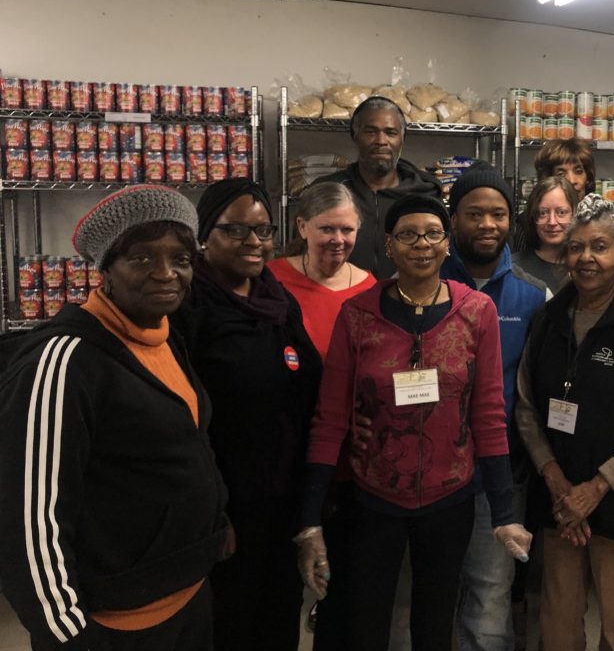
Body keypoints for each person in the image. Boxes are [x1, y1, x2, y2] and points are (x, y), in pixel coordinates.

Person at [295, 194, 532, 651]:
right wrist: (310, 521)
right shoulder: (359, 315)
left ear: (447, 245)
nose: (421, 244)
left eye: (432, 234)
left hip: (450, 497)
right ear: (388, 245)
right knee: (367, 620)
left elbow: (488, 414)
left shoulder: (476, 312)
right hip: (373, 498)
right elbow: (330, 420)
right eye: (407, 234)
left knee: (434, 620)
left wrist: (504, 514)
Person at [0, 185, 229, 651]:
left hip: (185, 597)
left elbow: (183, 448)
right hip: (117, 624)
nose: (166, 273)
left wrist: (214, 522)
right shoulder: (65, 360)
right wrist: (68, 634)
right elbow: (27, 521)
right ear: (105, 268)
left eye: (180, 258)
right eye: (142, 259)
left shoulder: (162, 336)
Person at [516, 193, 614, 651]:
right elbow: (527, 407)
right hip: (561, 499)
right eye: (577, 247)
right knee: (559, 623)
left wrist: (596, 488)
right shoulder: (546, 320)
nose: (587, 258)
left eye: (600, 246)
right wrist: (557, 482)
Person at [171, 178, 321, 651]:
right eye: (235, 231)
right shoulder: (187, 307)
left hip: (282, 494)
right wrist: (214, 510)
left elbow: (306, 383)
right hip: (227, 502)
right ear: (203, 236)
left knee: (278, 616)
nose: (253, 242)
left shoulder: (276, 298)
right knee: (228, 622)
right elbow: (180, 420)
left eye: (262, 230)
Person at [432, 161, 547, 651]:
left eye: (498, 214)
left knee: (490, 598)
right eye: (474, 213)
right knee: (424, 594)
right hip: (428, 475)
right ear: (452, 218)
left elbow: (534, 390)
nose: (487, 224)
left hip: (498, 476)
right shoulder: (423, 284)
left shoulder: (532, 294)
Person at [318, 96, 442, 278]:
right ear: (355, 136)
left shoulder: (426, 195)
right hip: (341, 300)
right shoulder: (328, 191)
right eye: (370, 132)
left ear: (402, 139)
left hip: (405, 300)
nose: (381, 140)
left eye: (391, 132)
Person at [268, 181, 375, 360]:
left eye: (347, 230)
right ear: (302, 227)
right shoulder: (271, 278)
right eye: (327, 229)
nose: (338, 239)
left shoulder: (369, 289)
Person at [512, 138, 595, 252]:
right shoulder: (528, 223)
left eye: (578, 171)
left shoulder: (604, 221)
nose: (571, 180)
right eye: (561, 173)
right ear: (548, 179)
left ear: (588, 178)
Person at [512, 175, 580, 294]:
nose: (552, 222)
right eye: (543, 213)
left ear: (575, 214)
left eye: (561, 212)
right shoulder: (513, 269)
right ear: (533, 216)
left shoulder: (585, 267)